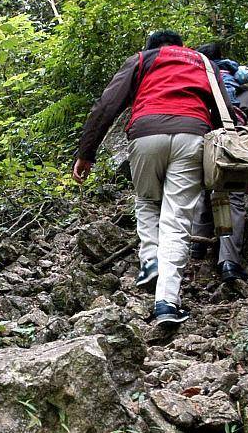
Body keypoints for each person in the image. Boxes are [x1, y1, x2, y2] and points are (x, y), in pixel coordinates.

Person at [72, 30, 236, 326]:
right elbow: (223, 108)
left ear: (151, 48)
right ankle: (167, 304)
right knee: (177, 221)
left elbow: (107, 106)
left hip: (145, 134)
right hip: (192, 134)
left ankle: (150, 260)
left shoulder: (142, 60)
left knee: (147, 200)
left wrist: (87, 152)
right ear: (179, 46)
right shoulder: (202, 61)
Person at [190, 42, 248, 282]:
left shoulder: (197, 87)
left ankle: (197, 248)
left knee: (202, 192)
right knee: (232, 200)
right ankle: (229, 264)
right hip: (235, 147)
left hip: (204, 143)